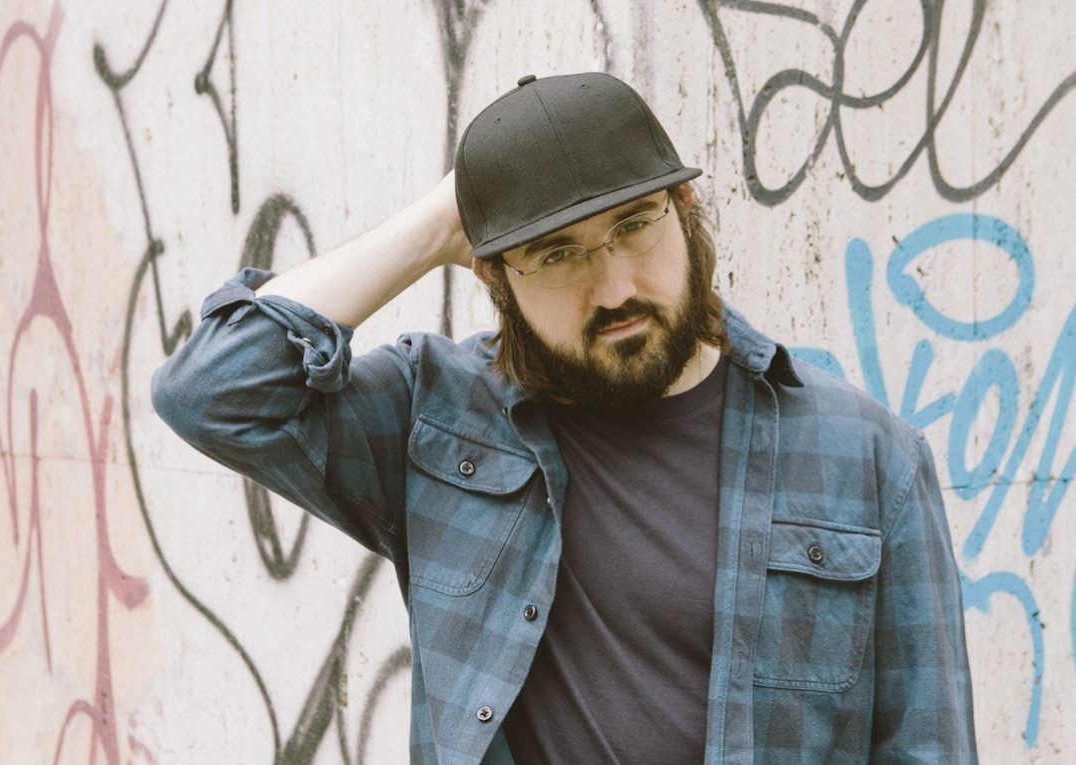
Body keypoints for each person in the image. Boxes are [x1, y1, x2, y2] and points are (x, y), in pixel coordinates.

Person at [152, 72, 977, 764]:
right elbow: (211, 391)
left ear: (686, 209)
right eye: (557, 254)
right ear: (493, 277)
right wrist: (437, 223)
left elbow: (928, 747)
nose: (614, 286)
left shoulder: (867, 457)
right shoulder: (434, 420)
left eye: (634, 226)